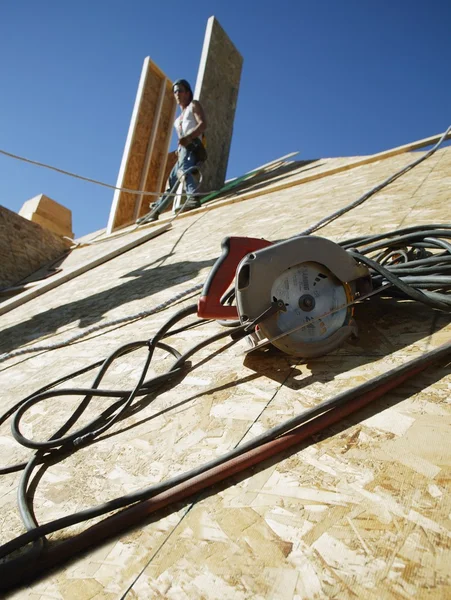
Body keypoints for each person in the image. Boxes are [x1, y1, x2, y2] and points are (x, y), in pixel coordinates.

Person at [146, 79, 207, 221]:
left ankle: (193, 197)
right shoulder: (177, 119)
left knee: (183, 170)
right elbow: (181, 137)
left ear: (187, 92)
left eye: (180, 90)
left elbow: (203, 124)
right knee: (172, 181)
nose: (177, 94)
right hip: (183, 148)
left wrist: (189, 137)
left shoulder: (193, 105)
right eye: (174, 92)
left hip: (193, 144)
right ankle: (156, 211)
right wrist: (180, 148)